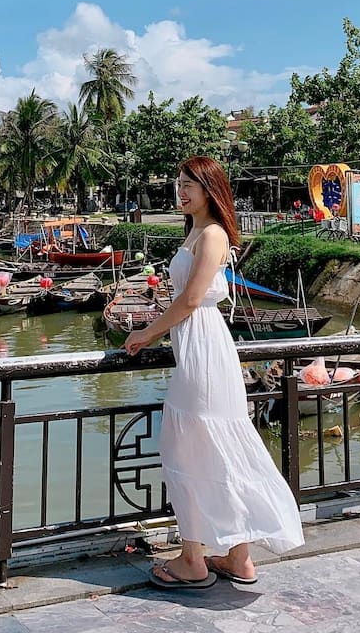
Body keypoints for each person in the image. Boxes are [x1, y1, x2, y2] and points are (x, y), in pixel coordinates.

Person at [125, 156, 304, 590]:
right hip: (198, 347)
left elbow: (190, 300)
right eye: (178, 183)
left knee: (187, 448)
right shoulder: (196, 232)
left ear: (210, 189)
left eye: (189, 184)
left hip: (204, 349)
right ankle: (237, 556)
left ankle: (193, 560)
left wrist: (146, 333)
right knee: (212, 447)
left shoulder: (212, 234)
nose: (181, 191)